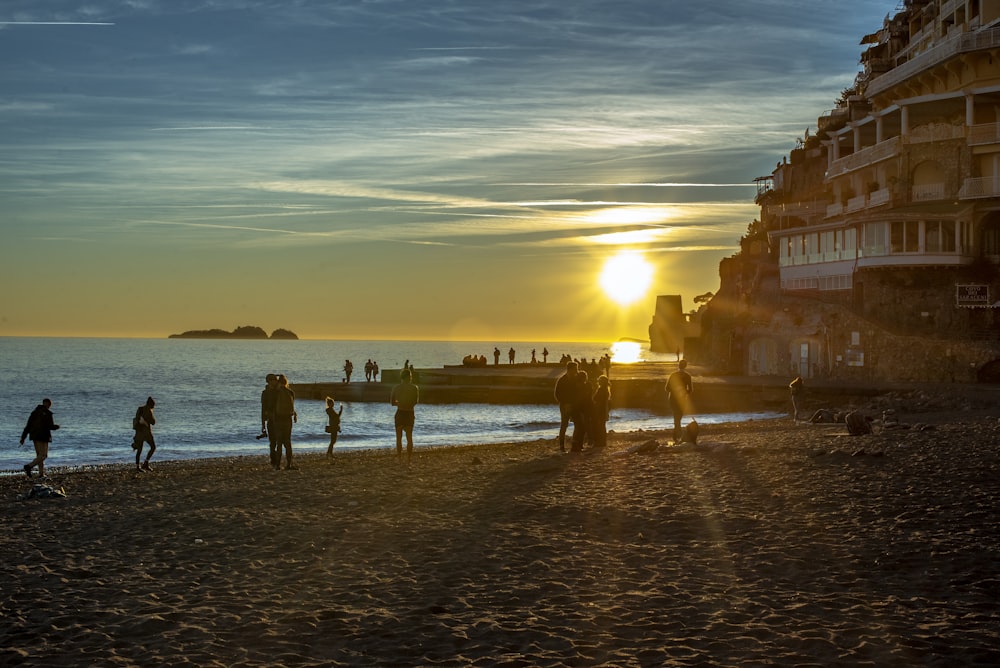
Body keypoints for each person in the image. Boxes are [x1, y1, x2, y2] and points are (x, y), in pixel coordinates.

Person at [20, 398, 59, 478]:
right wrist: (56, 427)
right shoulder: (47, 413)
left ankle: (41, 473)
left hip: (34, 435)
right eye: (50, 404)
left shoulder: (34, 412)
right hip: (43, 436)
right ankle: (29, 466)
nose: (49, 406)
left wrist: (23, 437)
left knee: (39, 455)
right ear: (47, 404)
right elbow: (49, 426)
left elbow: (28, 426)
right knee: (43, 455)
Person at [390, 368, 419, 463]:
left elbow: (392, 402)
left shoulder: (396, 388)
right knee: (409, 437)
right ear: (408, 377)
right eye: (410, 377)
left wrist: (399, 402)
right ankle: (409, 458)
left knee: (399, 437)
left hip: (400, 412)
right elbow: (415, 401)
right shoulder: (414, 388)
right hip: (409, 412)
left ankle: (399, 458)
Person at [272, 374, 298, 470]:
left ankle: (278, 465)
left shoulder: (276, 392)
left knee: (279, 443)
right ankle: (288, 464)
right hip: (288, 419)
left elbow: (273, 407)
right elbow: (292, 407)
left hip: (279, 419)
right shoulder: (290, 392)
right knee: (288, 442)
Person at [665, 360, 694, 444]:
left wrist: (677, 391)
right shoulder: (687, 376)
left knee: (677, 417)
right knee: (678, 417)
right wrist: (683, 391)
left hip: (674, 399)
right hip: (680, 399)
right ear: (686, 366)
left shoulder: (673, 375)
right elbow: (691, 390)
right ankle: (677, 436)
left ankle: (676, 436)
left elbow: (666, 388)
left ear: (679, 365)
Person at [554, 360, 579, 453]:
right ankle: (561, 446)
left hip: (575, 405)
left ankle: (575, 444)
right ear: (570, 369)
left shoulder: (576, 379)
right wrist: (565, 403)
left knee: (578, 424)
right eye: (575, 369)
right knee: (564, 425)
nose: (577, 371)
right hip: (565, 406)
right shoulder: (562, 380)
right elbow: (557, 394)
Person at [131, 396, 157, 472]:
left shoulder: (140, 409)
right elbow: (153, 422)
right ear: (151, 404)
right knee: (153, 447)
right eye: (153, 405)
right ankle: (146, 463)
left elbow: (137, 419)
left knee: (139, 450)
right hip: (146, 433)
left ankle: (137, 467)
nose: (154, 407)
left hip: (139, 432)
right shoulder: (149, 410)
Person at [571, 369, 593, 453]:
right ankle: (577, 445)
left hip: (579, 409)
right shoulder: (583, 386)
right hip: (581, 410)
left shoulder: (577, 386)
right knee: (580, 428)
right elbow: (586, 399)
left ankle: (577, 445)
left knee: (579, 428)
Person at [260, 373, 280, 468]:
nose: (275, 381)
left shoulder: (279, 391)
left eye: (276, 380)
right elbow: (263, 409)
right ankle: (274, 460)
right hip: (271, 420)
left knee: (278, 441)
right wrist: (263, 424)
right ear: (269, 381)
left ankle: (276, 461)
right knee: (273, 442)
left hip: (279, 418)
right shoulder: (265, 393)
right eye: (274, 380)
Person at [591, 375, 611, 448]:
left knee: (599, 426)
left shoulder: (601, 390)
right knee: (602, 426)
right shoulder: (606, 390)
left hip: (599, 410)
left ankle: (599, 442)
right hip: (603, 410)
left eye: (599, 380)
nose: (598, 382)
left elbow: (596, 399)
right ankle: (602, 442)